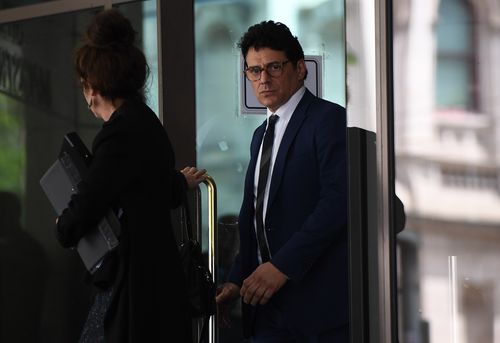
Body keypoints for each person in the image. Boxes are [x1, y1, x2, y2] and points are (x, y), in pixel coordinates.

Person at [55, 9, 206, 343]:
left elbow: (87, 204)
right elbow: (152, 189)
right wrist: (180, 182)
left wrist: (62, 227)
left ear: (91, 86)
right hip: (158, 285)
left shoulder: (118, 134)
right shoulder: (147, 123)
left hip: (134, 286)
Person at [216, 21, 349, 342]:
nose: (264, 79)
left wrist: (282, 267)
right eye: (254, 70)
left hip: (313, 305)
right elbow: (255, 214)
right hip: (263, 304)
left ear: (300, 68)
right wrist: (236, 279)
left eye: (274, 67)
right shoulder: (260, 135)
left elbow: (338, 203)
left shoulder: (328, 119)